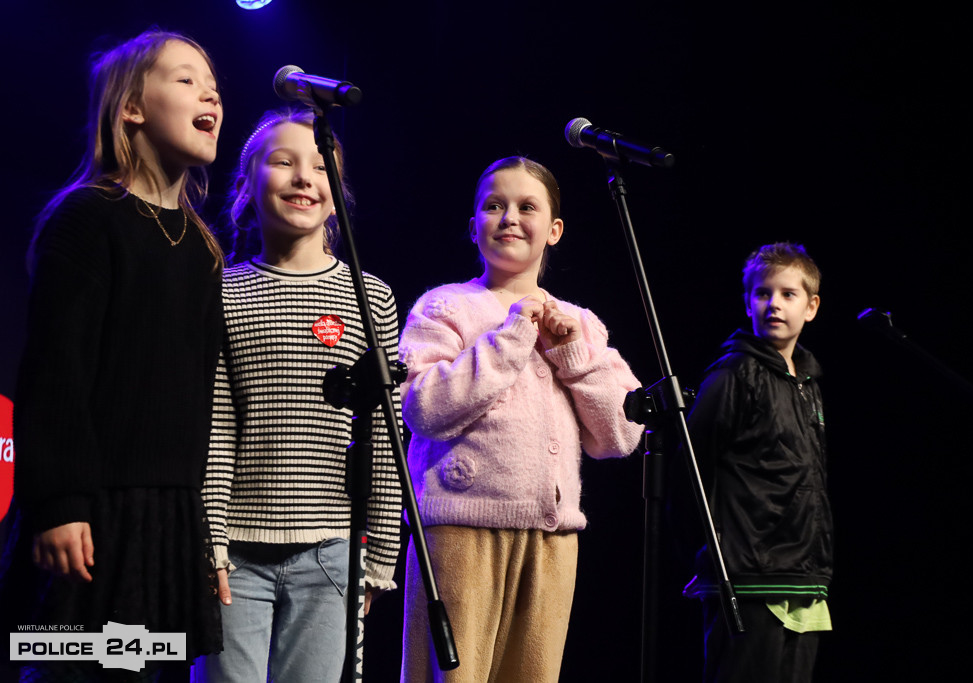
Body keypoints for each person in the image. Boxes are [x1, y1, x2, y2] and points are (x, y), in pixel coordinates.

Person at [5, 29, 225, 681]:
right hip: (94, 511)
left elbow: (194, 400)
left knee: (148, 670)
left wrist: (199, 532)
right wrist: (61, 502)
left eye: (213, 83)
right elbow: (55, 374)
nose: (209, 90)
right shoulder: (88, 219)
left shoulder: (202, 249)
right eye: (185, 78)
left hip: (167, 521)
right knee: (75, 668)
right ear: (132, 106)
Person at [398, 156, 644, 682]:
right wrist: (509, 340)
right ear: (473, 226)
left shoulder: (579, 323)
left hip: (551, 541)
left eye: (526, 207)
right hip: (461, 531)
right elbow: (423, 409)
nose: (509, 217)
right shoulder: (446, 308)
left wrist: (574, 354)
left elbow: (620, 435)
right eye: (494, 206)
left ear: (554, 230)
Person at [197, 107, 403, 683]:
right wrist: (209, 538)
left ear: (336, 197)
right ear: (246, 185)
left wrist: (380, 554)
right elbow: (215, 424)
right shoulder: (223, 292)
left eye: (320, 166)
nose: (303, 177)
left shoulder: (372, 297)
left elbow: (386, 434)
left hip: (333, 550)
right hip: (236, 550)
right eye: (283, 162)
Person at [681, 242, 833, 683]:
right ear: (748, 301)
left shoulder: (807, 382)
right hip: (748, 578)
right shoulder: (732, 376)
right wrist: (713, 555)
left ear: (812, 306)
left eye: (788, 294)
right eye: (763, 293)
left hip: (803, 576)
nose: (774, 304)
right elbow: (690, 470)